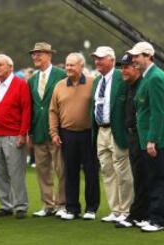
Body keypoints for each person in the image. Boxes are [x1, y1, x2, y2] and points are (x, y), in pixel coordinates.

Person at [127, 41, 164, 232]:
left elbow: (157, 112)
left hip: (157, 139)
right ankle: (151, 215)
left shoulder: (155, 77)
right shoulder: (148, 76)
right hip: (148, 137)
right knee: (150, 179)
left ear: (148, 56)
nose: (134, 60)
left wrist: (152, 139)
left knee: (158, 180)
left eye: (137, 56)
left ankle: (158, 220)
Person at [49, 52, 99, 220]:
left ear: (81, 66)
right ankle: (72, 208)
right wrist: (54, 132)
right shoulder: (59, 85)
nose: (68, 68)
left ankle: (91, 208)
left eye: (72, 65)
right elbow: (53, 111)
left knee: (91, 172)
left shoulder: (93, 82)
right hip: (67, 134)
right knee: (70, 172)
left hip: (88, 134)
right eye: (67, 64)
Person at [90, 46, 133, 223]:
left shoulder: (120, 77)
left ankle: (127, 210)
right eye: (96, 58)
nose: (97, 61)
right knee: (107, 171)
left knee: (122, 172)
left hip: (117, 131)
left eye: (101, 58)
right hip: (101, 130)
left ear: (112, 60)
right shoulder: (96, 81)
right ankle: (115, 210)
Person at [27, 42, 67, 217]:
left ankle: (62, 204)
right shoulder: (31, 80)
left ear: (49, 55)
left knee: (61, 169)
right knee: (43, 170)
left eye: (39, 53)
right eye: (34, 54)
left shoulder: (61, 75)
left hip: (56, 131)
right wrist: (29, 131)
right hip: (38, 131)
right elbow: (32, 107)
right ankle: (47, 205)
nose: (36, 56)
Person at [0, 54, 31, 219]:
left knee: (16, 173)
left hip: (14, 135)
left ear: (10, 67)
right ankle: (5, 205)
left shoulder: (20, 84)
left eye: (0, 64)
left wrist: (23, 133)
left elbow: (26, 110)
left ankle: (20, 206)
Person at [114, 53, 149, 228]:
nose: (123, 71)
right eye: (121, 67)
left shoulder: (144, 84)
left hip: (143, 136)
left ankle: (139, 215)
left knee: (143, 176)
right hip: (132, 136)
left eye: (126, 67)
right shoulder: (128, 85)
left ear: (136, 67)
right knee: (138, 176)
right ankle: (139, 214)